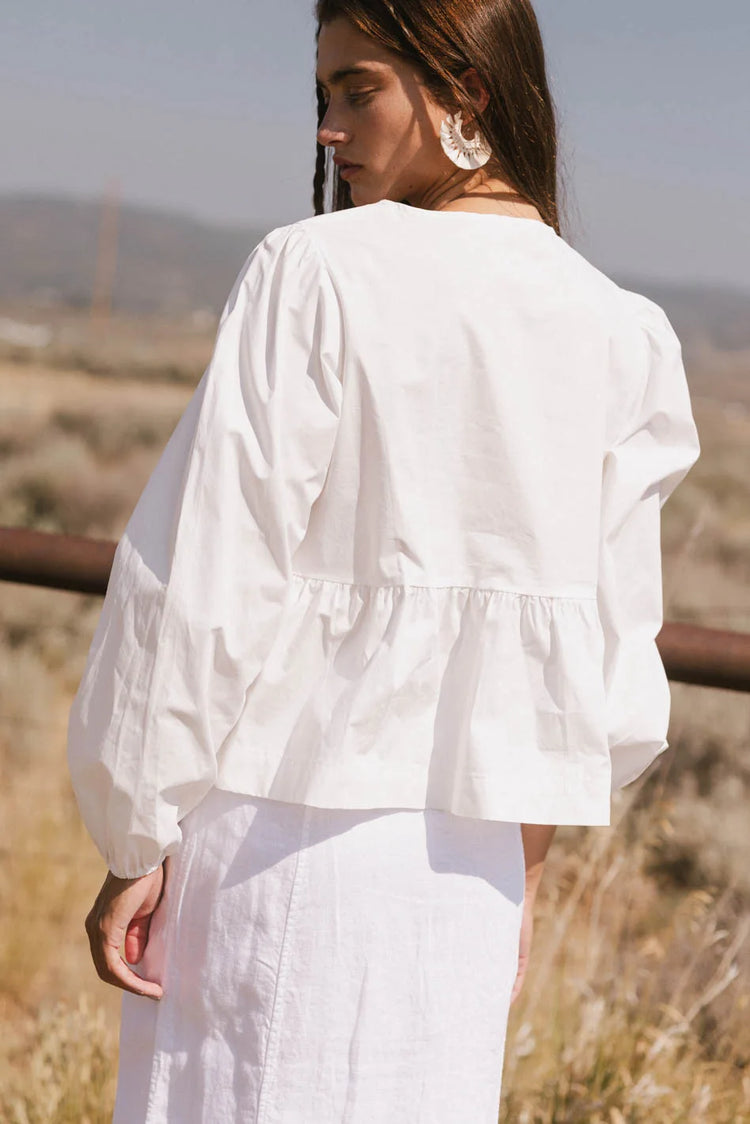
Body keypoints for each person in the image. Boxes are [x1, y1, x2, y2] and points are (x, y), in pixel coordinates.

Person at [66, 1, 701, 1121]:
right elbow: (600, 665)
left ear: (468, 92)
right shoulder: (620, 330)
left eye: (358, 88)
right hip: (471, 873)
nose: (327, 126)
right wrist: (526, 877)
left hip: (276, 838)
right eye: (325, 94)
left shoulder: (313, 272)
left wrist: (137, 832)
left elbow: (206, 581)